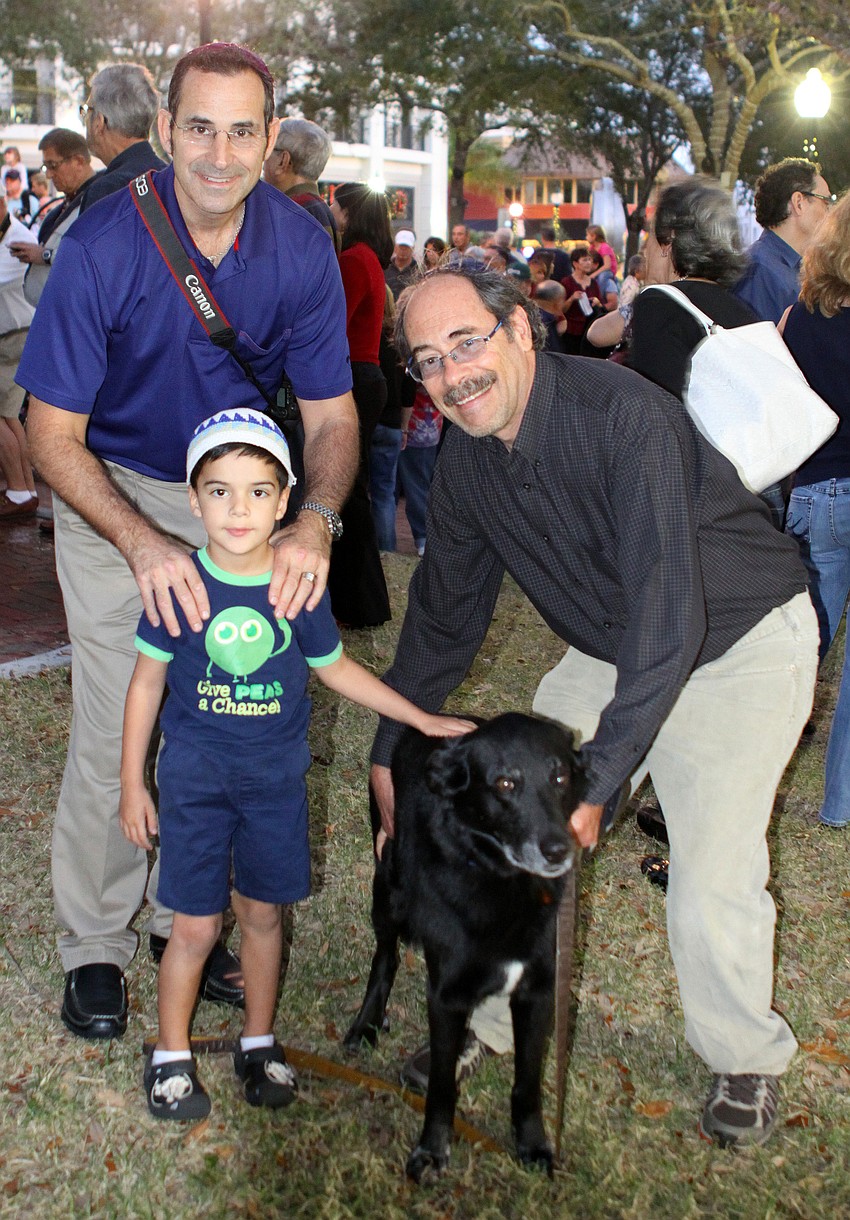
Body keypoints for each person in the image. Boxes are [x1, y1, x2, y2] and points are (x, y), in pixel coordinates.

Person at [371, 265, 817, 1149]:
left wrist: (598, 783)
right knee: (506, 835)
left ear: (519, 331)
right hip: (618, 646)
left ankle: (745, 1057)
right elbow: (444, 619)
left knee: (711, 869)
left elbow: (670, 615)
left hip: (739, 642)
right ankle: (490, 1022)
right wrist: (392, 743)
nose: (453, 374)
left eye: (467, 342)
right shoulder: (465, 462)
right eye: (429, 359)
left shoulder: (624, 417)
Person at [15, 42, 359, 1043]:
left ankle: (186, 920)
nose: (218, 153)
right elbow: (49, 435)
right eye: (199, 127)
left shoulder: (300, 247)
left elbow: (334, 419)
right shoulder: (102, 242)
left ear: (270, 138)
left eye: (241, 131)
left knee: (216, 718)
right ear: (165, 131)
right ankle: (95, 939)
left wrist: (314, 520)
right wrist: (141, 542)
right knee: (116, 718)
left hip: (238, 498)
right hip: (114, 487)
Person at [120, 408, 473, 1120]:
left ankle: (258, 1040)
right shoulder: (178, 585)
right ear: (193, 499)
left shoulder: (298, 586)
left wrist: (418, 717)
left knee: (262, 916)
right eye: (219, 491)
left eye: (258, 492)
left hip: (274, 787)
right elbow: (146, 684)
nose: (238, 509)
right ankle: (170, 1054)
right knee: (194, 927)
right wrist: (133, 783)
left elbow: (336, 669)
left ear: (285, 501)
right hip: (195, 787)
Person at [782, 191, 850, 830]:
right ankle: (841, 803)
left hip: (818, 490)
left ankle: (749, 779)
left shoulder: (800, 316)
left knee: (795, 650)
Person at [328, 181, 393, 627]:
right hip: (366, 377)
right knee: (352, 490)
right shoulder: (368, 258)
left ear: (349, 213)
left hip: (355, 376)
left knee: (347, 491)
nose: (330, 213)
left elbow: (334, 321)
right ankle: (361, 602)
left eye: (334, 206)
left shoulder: (354, 259)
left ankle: (358, 603)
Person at [733, 158, 833, 325]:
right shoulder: (759, 271)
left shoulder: (791, 268)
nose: (830, 212)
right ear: (798, 203)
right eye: (826, 201)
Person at [8, 130, 96, 307]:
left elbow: (92, 256)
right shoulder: (71, 200)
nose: (48, 175)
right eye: (45, 167)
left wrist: (45, 255)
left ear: (79, 161)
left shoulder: (97, 199)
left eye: (53, 166)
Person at [78, 63, 166, 212]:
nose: (84, 119)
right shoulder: (170, 178)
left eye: (87, 110)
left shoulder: (106, 191)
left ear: (99, 122)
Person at [0, 179, 37, 520]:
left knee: (4, 417)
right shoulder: (11, 234)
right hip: (15, 335)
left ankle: (19, 490)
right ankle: (25, 489)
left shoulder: (17, 238)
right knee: (9, 416)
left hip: (13, 336)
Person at [263, 117, 339, 251]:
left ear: (283, 160)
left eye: (268, 150)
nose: (263, 159)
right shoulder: (320, 209)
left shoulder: (291, 211)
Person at [560, 244, 604, 354]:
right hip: (571, 331)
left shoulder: (593, 283)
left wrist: (597, 303)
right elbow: (561, 309)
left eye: (589, 260)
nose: (588, 263)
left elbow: (601, 306)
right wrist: (572, 299)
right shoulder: (566, 282)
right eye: (584, 260)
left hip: (589, 331)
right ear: (575, 263)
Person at [384, 228, 419, 299]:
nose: (403, 250)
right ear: (395, 248)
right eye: (401, 247)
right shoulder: (385, 268)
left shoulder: (418, 272)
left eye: (406, 247)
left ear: (413, 248)